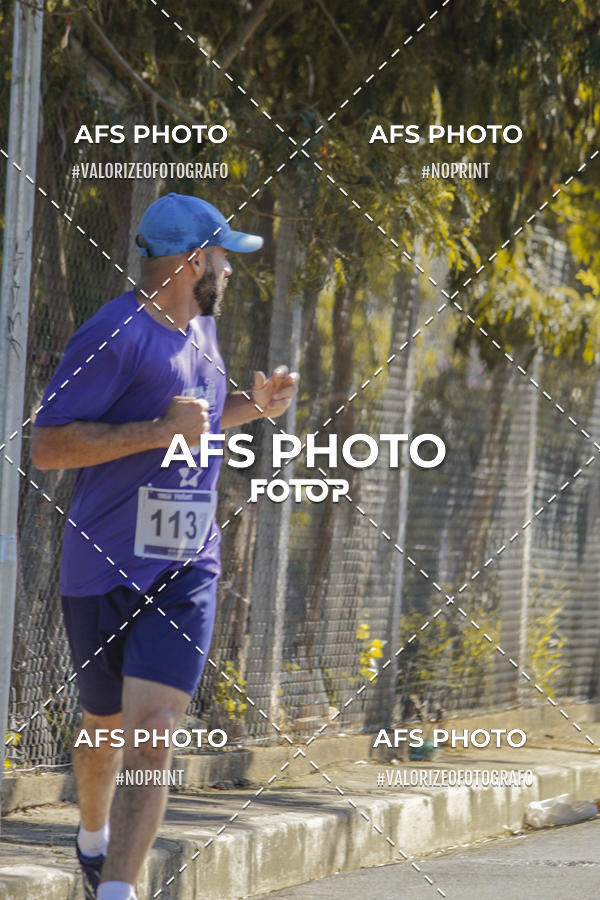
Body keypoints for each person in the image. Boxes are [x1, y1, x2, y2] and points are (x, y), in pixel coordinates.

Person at [31, 192, 299, 900]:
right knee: (102, 726)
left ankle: (119, 890)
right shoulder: (114, 334)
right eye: (222, 258)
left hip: (186, 566)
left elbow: (197, 423)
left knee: (152, 732)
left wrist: (253, 410)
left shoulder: (201, 330)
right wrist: (155, 430)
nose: (229, 272)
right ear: (189, 263)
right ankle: (91, 837)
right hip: (102, 564)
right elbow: (49, 445)